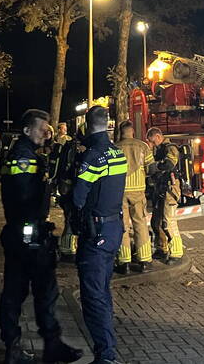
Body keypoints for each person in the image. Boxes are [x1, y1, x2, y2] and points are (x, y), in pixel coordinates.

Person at [0, 109, 82, 364]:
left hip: (26, 234)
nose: (46, 132)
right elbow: (24, 202)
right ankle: (18, 348)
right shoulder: (23, 159)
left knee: (42, 291)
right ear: (26, 131)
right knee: (24, 292)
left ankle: (50, 345)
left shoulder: (30, 154)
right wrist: (32, 236)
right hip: (26, 236)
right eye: (41, 128)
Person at [70, 106, 127, 364]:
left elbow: (78, 198)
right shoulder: (118, 153)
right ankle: (107, 350)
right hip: (113, 230)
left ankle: (106, 356)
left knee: (93, 296)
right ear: (108, 124)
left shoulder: (93, 156)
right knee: (102, 291)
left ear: (87, 126)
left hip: (95, 233)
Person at [113, 120, 154, 274]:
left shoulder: (115, 147)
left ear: (120, 132)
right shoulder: (143, 146)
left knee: (123, 227)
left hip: (120, 192)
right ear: (133, 132)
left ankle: (125, 263)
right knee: (140, 224)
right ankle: (144, 261)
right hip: (138, 191)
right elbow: (151, 168)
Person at [147, 127, 184, 264]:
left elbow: (169, 164)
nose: (153, 145)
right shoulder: (160, 149)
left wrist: (155, 166)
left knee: (169, 221)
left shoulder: (170, 148)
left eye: (153, 141)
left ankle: (176, 252)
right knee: (155, 222)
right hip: (161, 188)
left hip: (170, 188)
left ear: (157, 136)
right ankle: (161, 248)